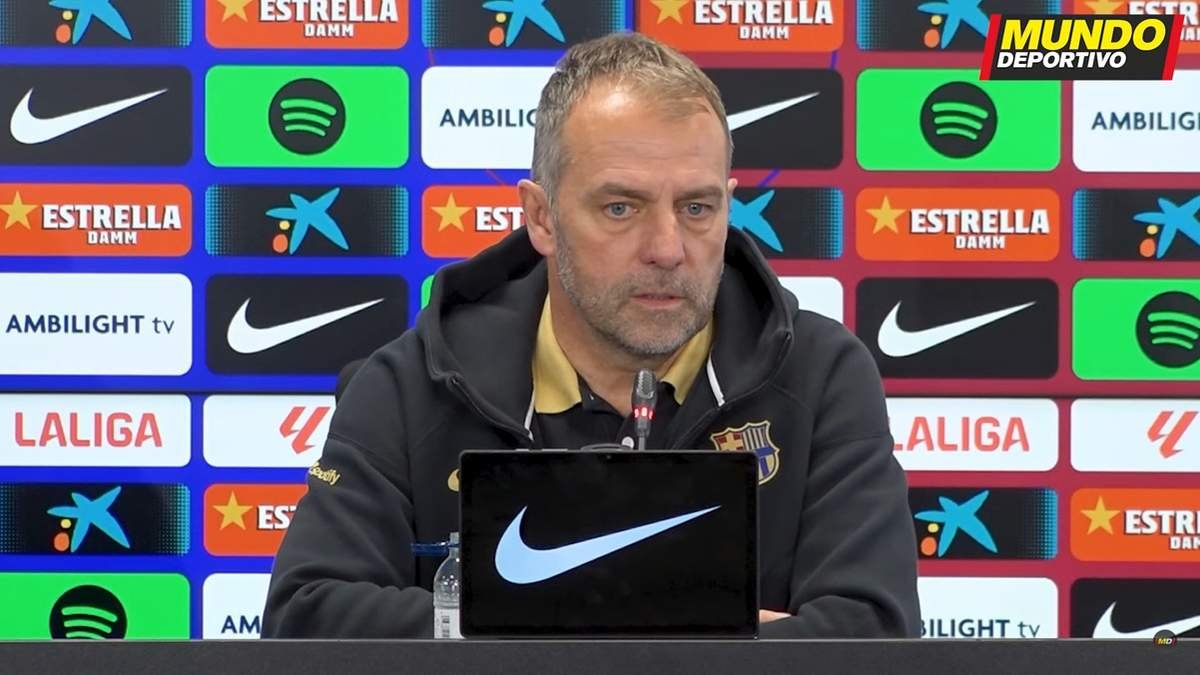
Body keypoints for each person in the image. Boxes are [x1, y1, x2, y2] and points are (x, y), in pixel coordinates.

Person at [261, 31, 920, 639]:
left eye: (696, 207)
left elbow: (877, 633)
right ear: (542, 217)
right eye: (621, 207)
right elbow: (305, 618)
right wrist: (679, 623)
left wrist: (514, 618)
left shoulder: (820, 375)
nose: (667, 248)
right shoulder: (413, 386)